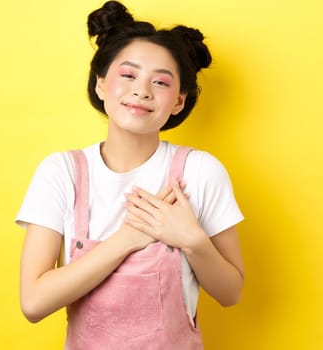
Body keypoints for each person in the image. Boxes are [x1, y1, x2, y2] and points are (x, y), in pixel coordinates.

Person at [15, 1, 245, 348]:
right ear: (101, 84)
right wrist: (128, 239)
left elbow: (231, 293)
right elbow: (33, 303)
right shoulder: (61, 172)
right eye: (128, 75)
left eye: (161, 82)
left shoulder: (200, 171)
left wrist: (191, 239)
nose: (142, 91)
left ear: (179, 102)